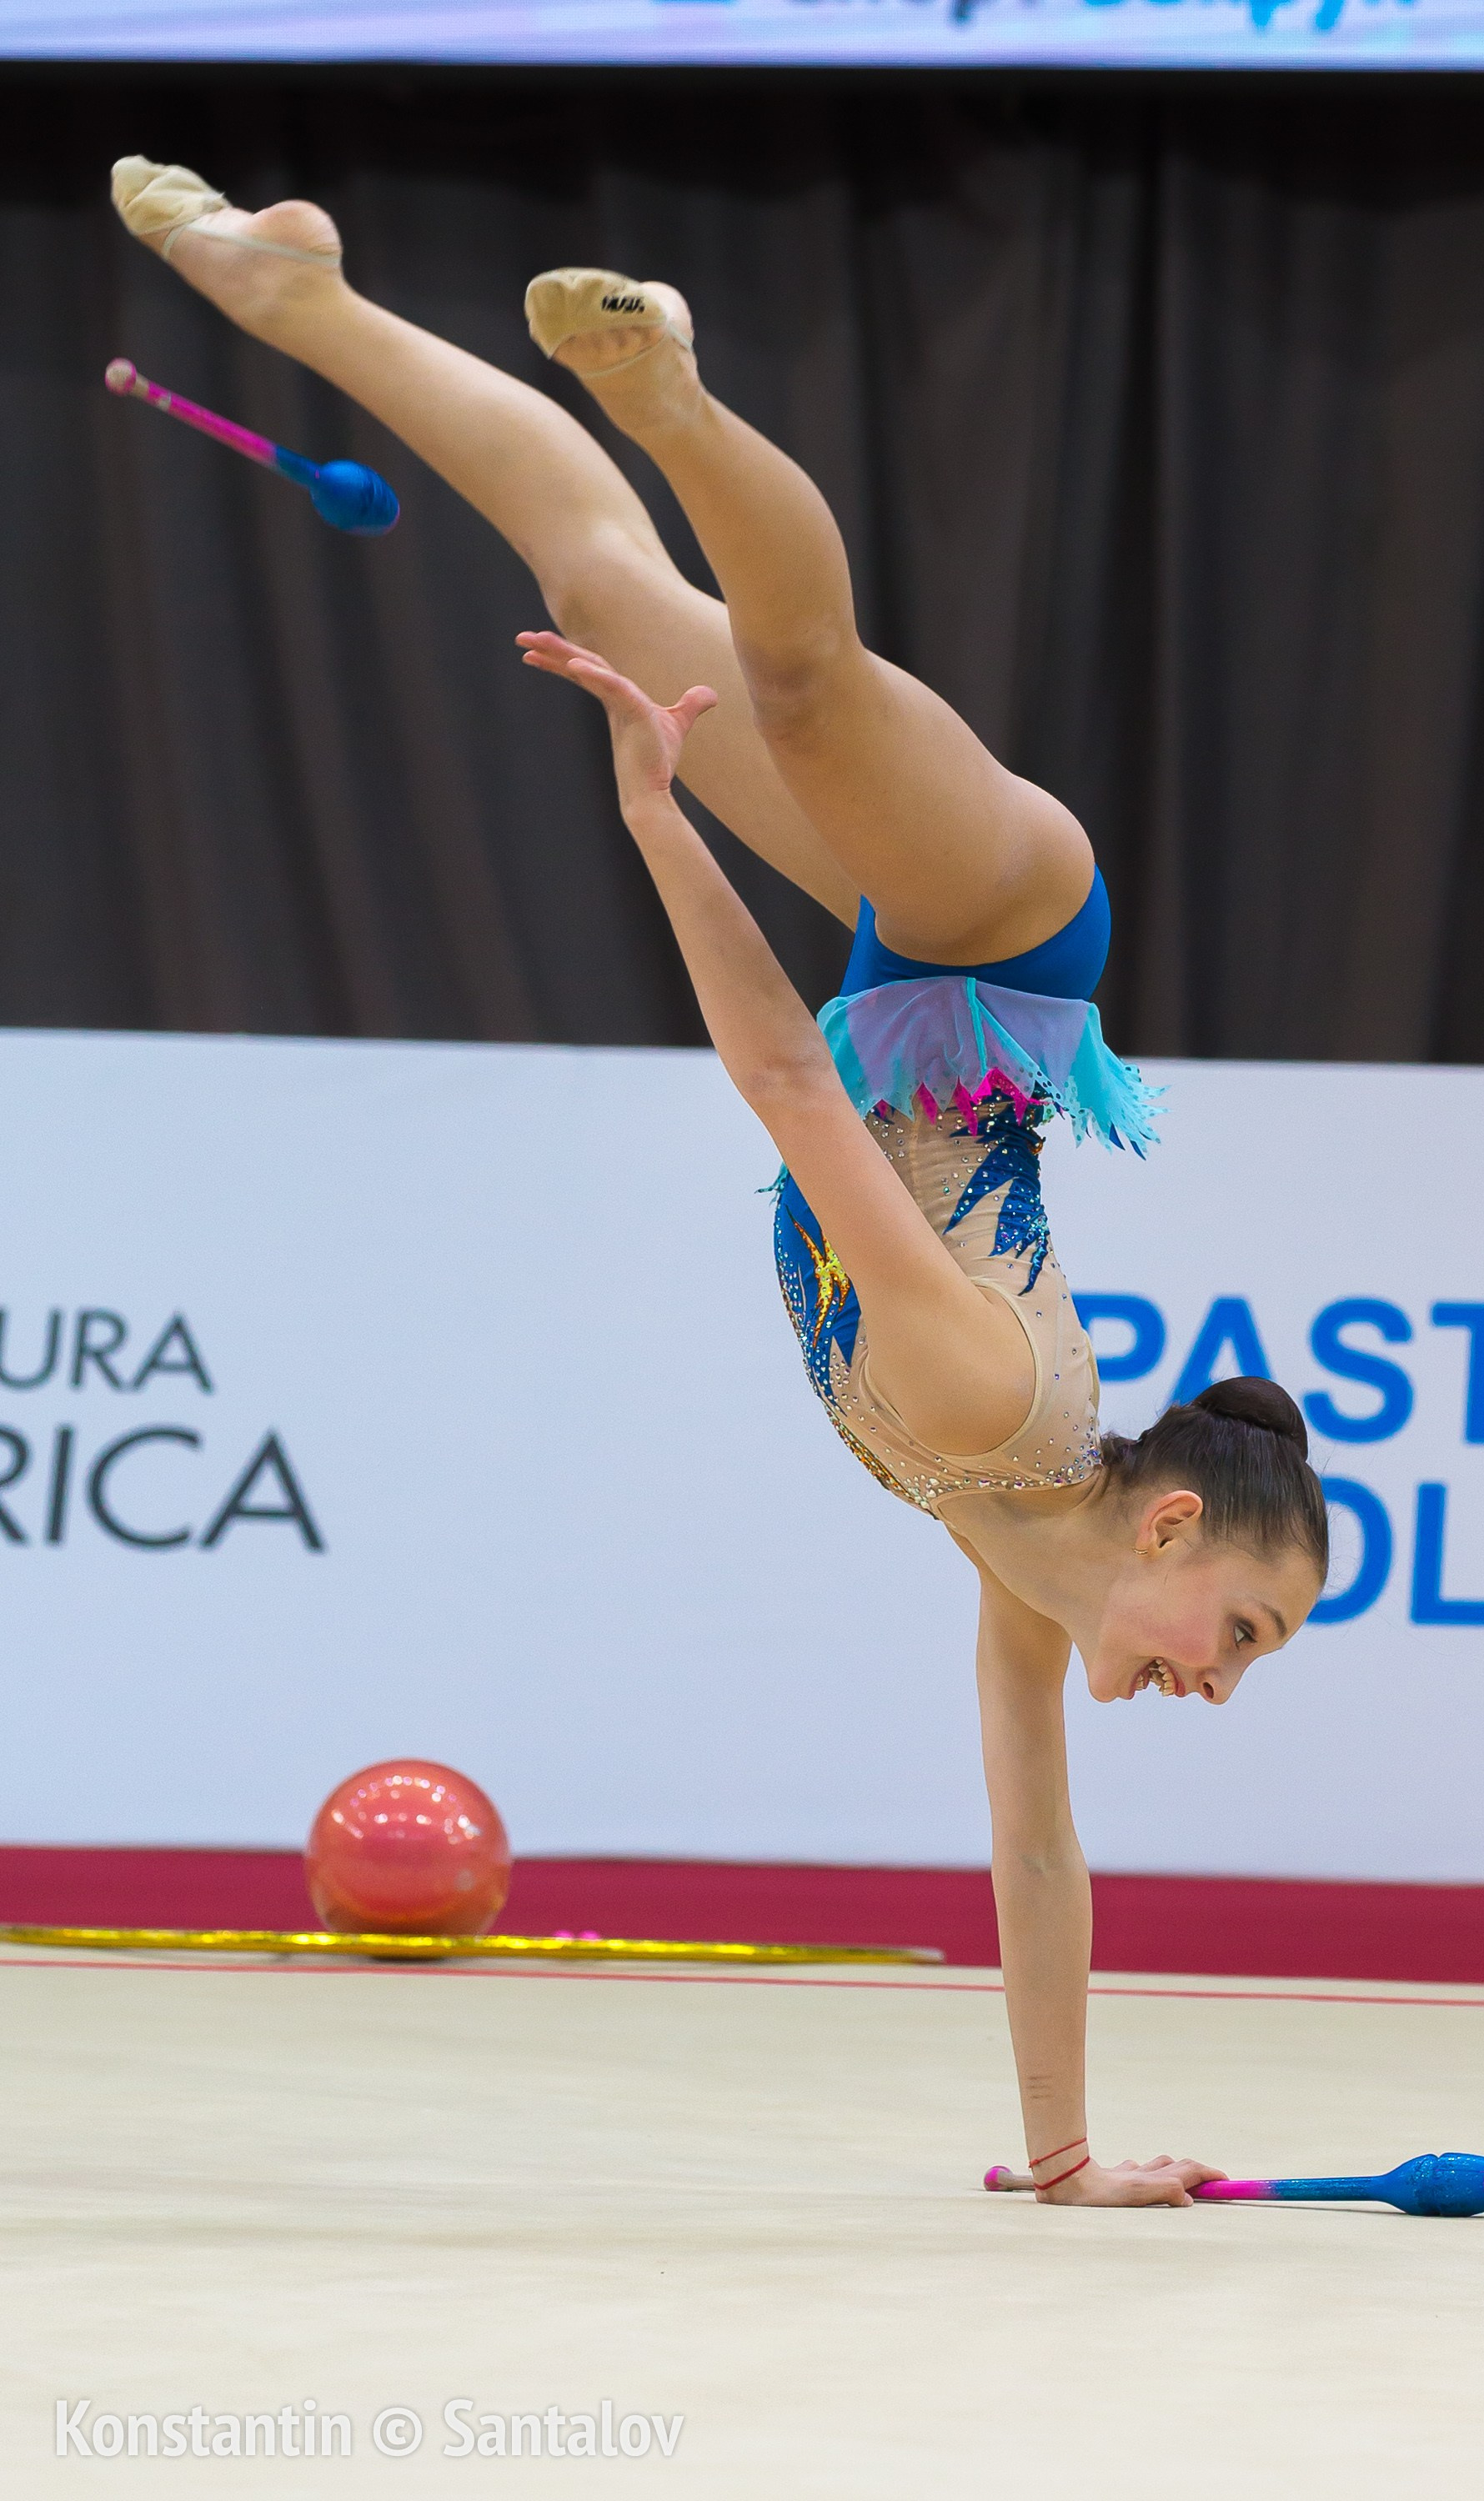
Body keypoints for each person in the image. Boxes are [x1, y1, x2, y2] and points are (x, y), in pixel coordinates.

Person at [112, 158, 1330, 2208]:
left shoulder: (1014, 1554)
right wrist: (657, 818)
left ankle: (292, 290)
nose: (1222, 1680)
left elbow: (1036, 1847)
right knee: (794, 684)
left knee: (600, 584)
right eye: (1250, 1630)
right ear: (1179, 1524)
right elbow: (778, 1082)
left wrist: (1062, 2158)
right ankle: (673, 388)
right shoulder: (982, 1412)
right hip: (1001, 939)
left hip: (899, 969)